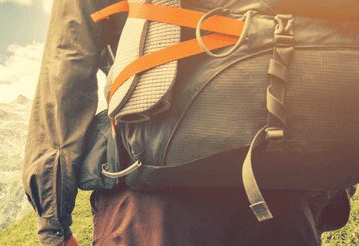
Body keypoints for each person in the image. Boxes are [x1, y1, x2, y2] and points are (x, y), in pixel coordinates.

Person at [22, 0, 354, 245]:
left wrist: (53, 225)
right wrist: (323, 189)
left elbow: (67, 64)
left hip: (154, 201)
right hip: (286, 199)